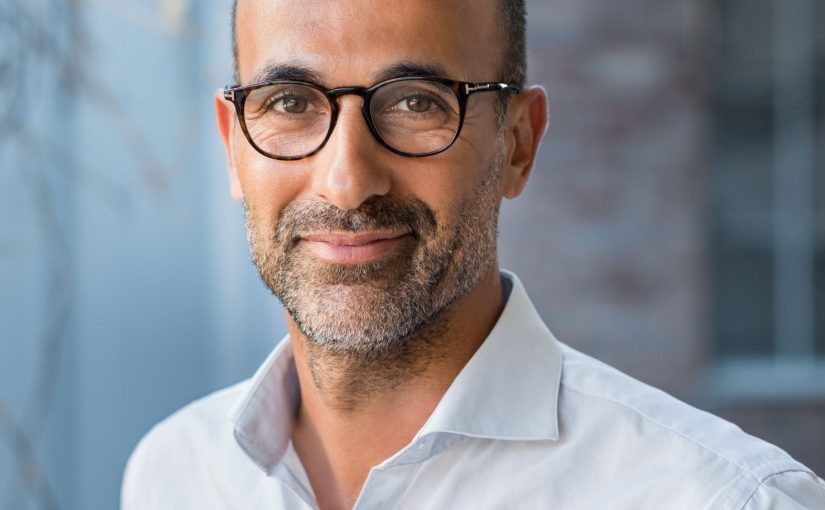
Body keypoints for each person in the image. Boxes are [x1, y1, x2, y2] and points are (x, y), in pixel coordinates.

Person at [121, 0, 825, 508]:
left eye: (414, 103)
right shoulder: (177, 471)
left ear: (517, 144)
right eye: (287, 102)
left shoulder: (719, 498)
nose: (346, 180)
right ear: (233, 147)